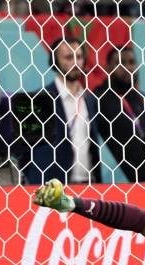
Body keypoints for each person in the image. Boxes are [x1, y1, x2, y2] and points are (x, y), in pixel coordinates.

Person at [23, 37, 101, 185]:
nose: (75, 62)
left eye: (79, 56)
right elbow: (25, 152)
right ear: (55, 62)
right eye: (68, 57)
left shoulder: (90, 100)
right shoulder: (38, 100)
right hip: (52, 188)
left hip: (89, 184)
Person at [94, 46, 145, 183]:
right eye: (120, 63)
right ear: (108, 68)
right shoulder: (100, 98)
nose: (128, 67)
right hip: (117, 181)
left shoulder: (140, 97)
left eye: (131, 62)